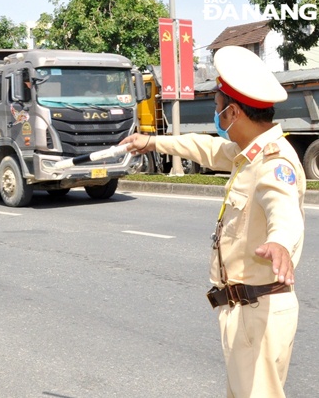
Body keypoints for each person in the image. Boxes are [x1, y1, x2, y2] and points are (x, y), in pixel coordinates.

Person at [121, 45, 306, 398]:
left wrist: (281, 242)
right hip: (247, 309)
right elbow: (203, 148)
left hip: (257, 313)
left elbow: (283, 209)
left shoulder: (272, 163)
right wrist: (152, 141)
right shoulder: (248, 153)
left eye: (219, 110)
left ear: (234, 112)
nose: (216, 118)